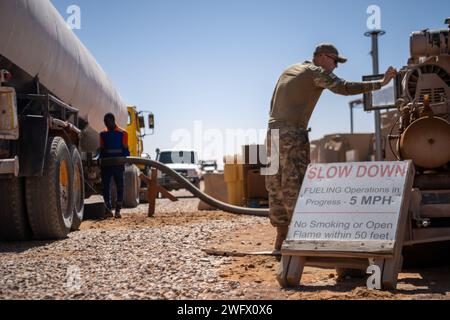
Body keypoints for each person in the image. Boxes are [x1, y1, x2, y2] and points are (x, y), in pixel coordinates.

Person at [265, 43, 397, 252]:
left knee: (274, 184)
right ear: (323, 57)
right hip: (292, 133)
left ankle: (280, 239)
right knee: (293, 183)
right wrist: (380, 84)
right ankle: (297, 238)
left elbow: (272, 103)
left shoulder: (289, 70)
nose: (335, 67)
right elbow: (343, 87)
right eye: (335, 61)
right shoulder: (314, 72)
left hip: (272, 133)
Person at [99, 113, 130, 219]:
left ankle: (117, 211)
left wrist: (125, 160)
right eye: (105, 123)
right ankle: (108, 210)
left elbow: (125, 150)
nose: (106, 124)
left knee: (120, 187)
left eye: (107, 122)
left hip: (118, 165)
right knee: (105, 187)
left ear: (113, 121)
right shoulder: (102, 134)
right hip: (107, 165)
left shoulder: (123, 133)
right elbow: (102, 150)